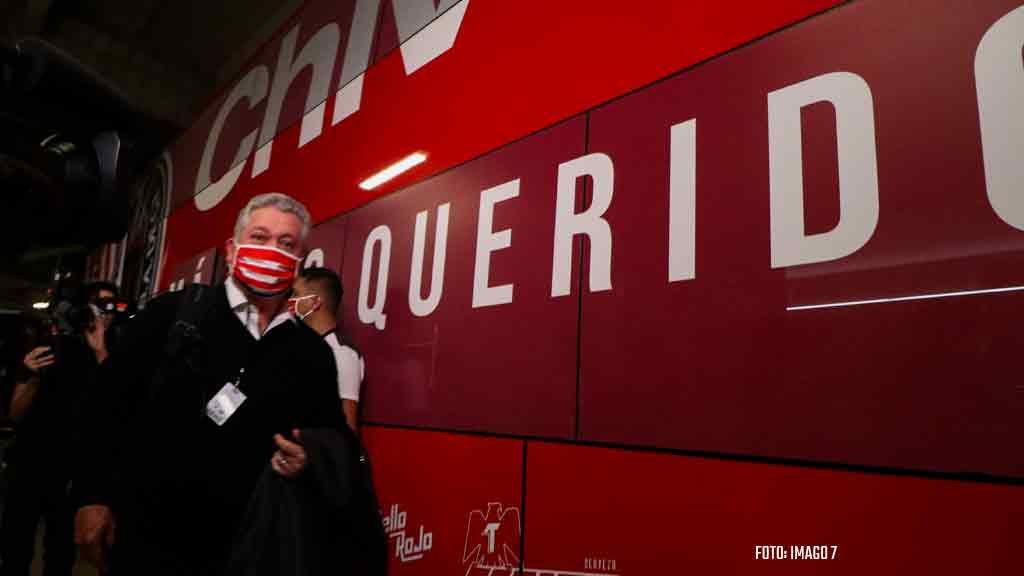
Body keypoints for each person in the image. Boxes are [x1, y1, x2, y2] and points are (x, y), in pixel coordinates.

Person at [72, 193, 343, 575]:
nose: (272, 251)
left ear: (299, 263)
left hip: (253, 548)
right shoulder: (170, 316)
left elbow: (333, 439)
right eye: (260, 237)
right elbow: (105, 406)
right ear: (232, 250)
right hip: (151, 541)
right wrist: (92, 496)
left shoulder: (313, 354)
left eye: (287, 244)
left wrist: (309, 457)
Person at [0, 281, 119, 576]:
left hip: (71, 474)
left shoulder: (113, 352)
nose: (103, 314)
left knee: (60, 556)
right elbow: (14, 415)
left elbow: (115, 411)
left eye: (109, 307)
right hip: (28, 465)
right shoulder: (44, 347)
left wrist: (101, 351)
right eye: (96, 306)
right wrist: (30, 376)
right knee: (14, 550)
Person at [290, 267, 365, 432]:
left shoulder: (342, 353)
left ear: (315, 302)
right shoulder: (301, 346)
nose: (291, 300)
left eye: (296, 294)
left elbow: (347, 428)